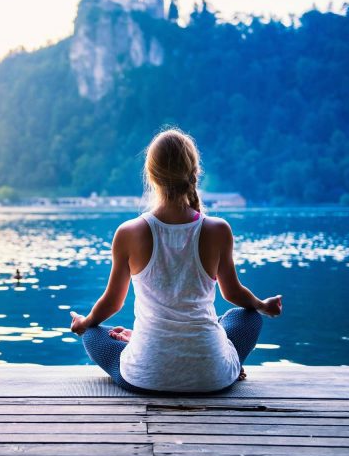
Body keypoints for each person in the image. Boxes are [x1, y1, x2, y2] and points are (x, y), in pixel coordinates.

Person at [70, 128, 282, 393]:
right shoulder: (218, 230)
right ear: (194, 173)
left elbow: (113, 303)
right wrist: (262, 305)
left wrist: (84, 323)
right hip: (212, 377)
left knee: (93, 331)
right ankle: (226, 364)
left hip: (146, 377)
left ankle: (140, 343)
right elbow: (233, 293)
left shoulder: (128, 232)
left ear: (151, 175)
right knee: (248, 316)